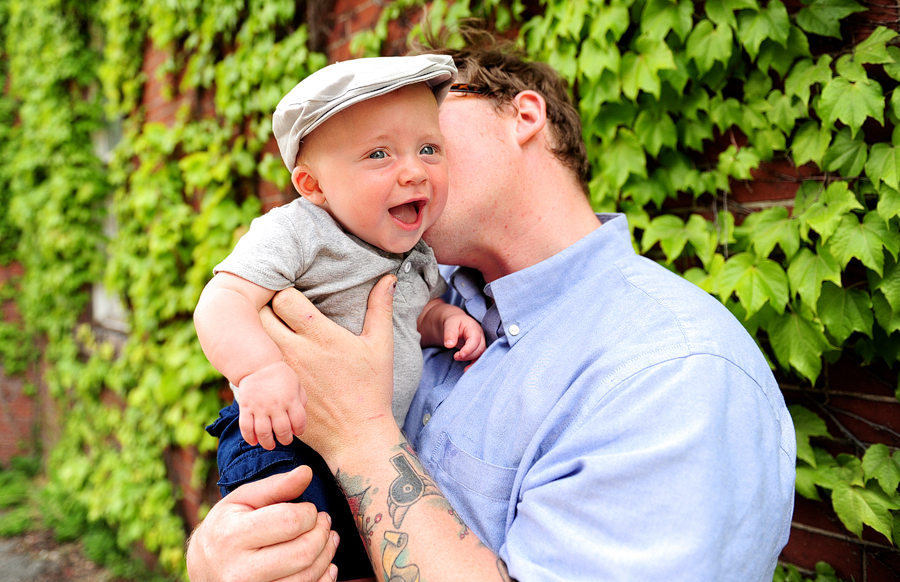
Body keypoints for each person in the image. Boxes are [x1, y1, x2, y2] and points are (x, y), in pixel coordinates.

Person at [187, 28, 796, 582]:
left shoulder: (672, 370)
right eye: (378, 145)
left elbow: (358, 445)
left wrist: (361, 436)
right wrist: (219, 559)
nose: (412, 164)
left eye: (429, 130)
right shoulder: (409, 289)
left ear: (524, 115)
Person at [192, 54, 486, 580]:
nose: (414, 169)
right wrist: (258, 370)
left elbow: (406, 317)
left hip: (364, 454)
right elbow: (222, 302)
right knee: (295, 552)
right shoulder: (298, 231)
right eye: (378, 154)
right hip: (282, 436)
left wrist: (440, 320)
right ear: (313, 185)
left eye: (428, 148)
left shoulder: (418, 252)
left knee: (364, 561)